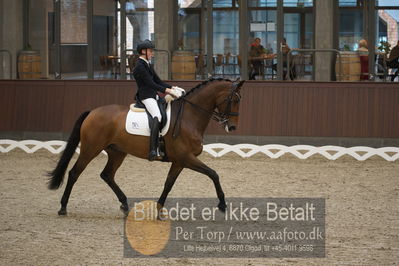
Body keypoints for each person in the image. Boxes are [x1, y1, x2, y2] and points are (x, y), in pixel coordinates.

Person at [133, 39, 178, 161]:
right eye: (150, 51)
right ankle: (153, 149)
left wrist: (171, 87)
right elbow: (151, 84)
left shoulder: (148, 64)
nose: (152, 53)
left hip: (154, 95)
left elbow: (158, 81)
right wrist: (167, 91)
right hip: (146, 96)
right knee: (157, 116)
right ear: (143, 51)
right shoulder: (139, 67)